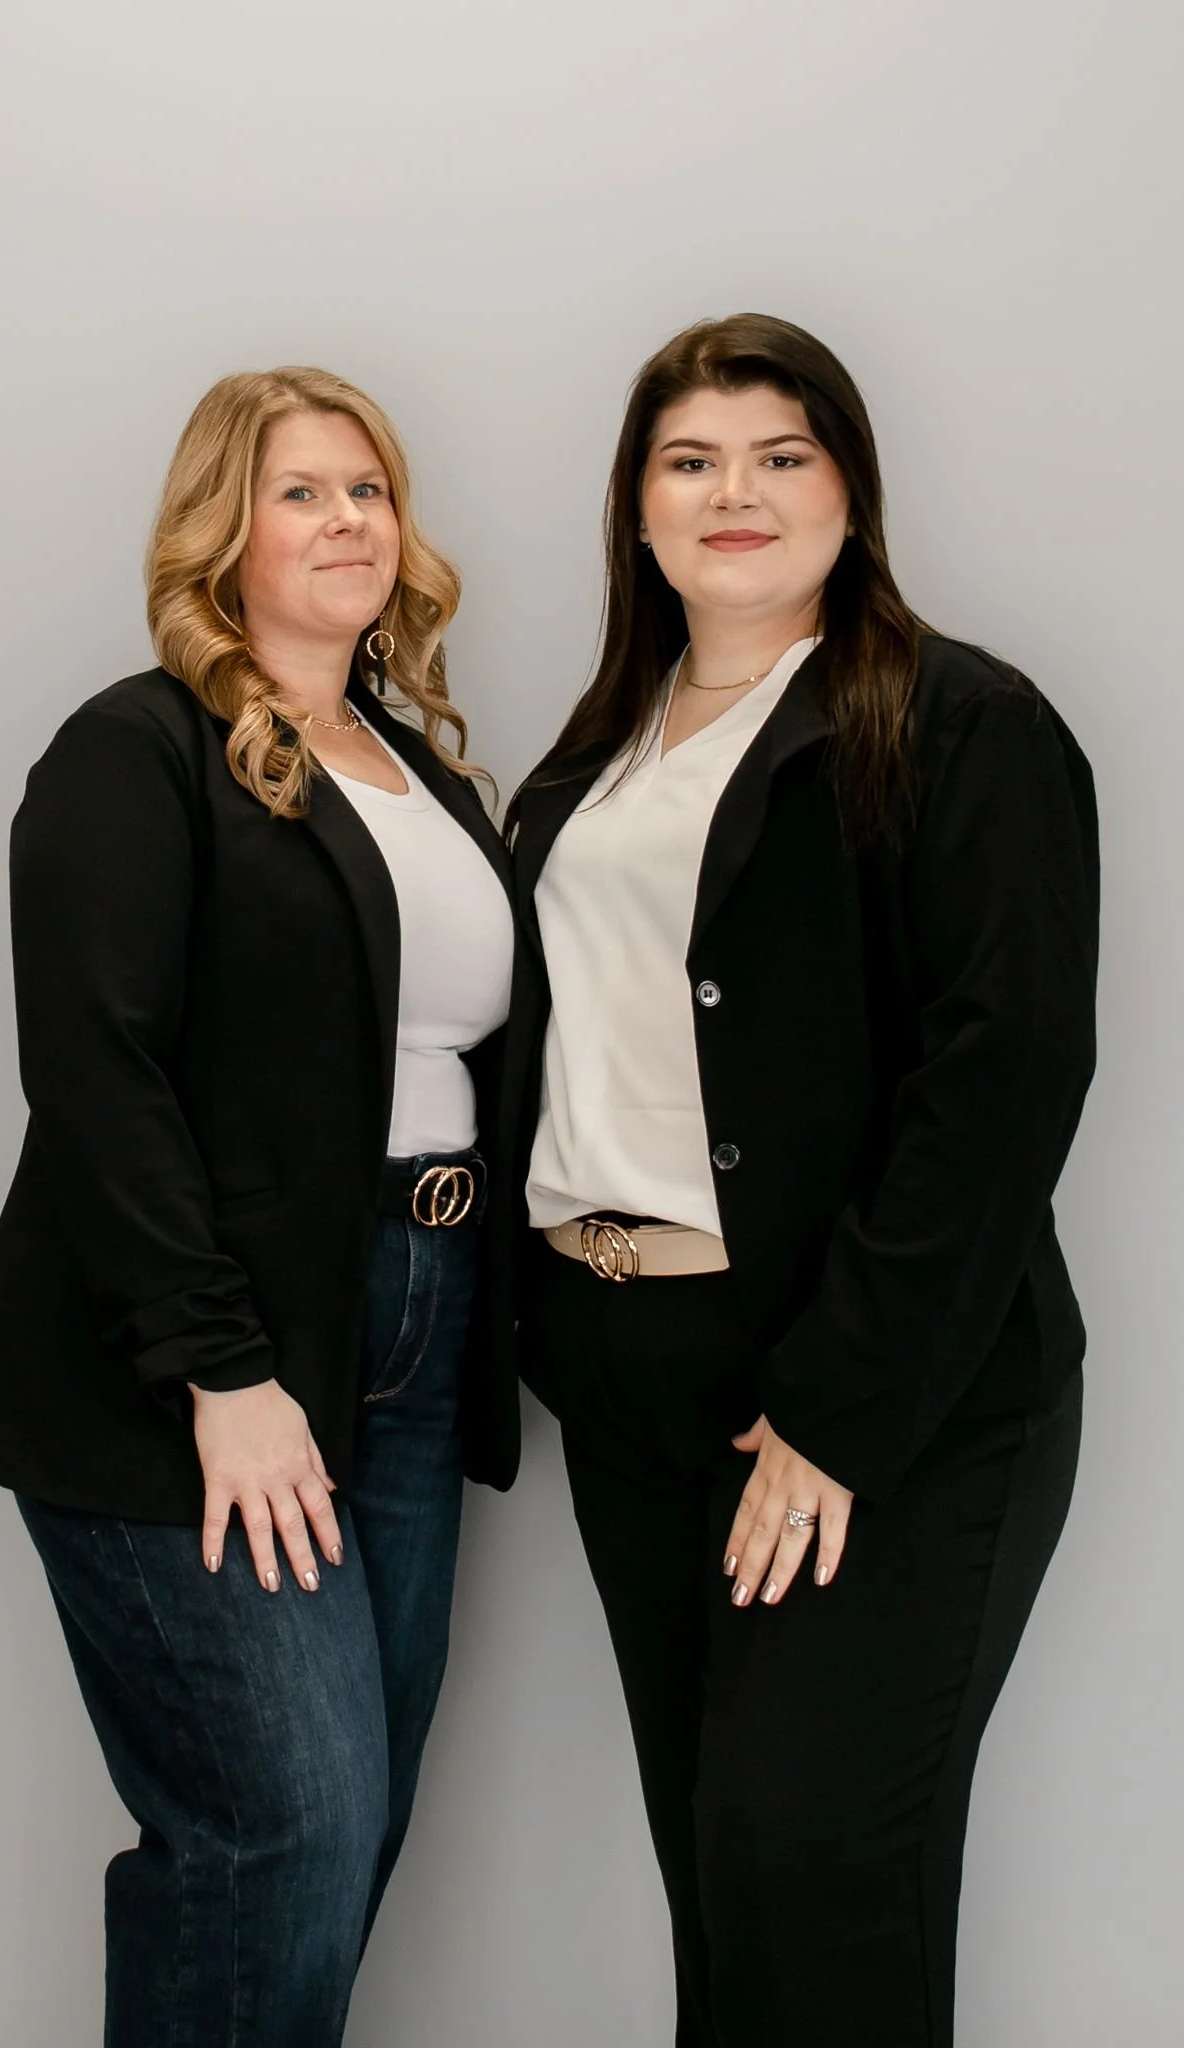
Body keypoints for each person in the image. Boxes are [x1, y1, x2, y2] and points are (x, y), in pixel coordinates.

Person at [502, 313, 1097, 2047]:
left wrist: (837, 1411)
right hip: (630, 1379)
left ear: (852, 489)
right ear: (637, 508)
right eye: (690, 461)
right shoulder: (598, 754)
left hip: (870, 1390)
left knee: (810, 1882)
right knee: (720, 1888)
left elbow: (1003, 1084)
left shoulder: (964, 723)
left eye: (782, 455)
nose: (734, 493)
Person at [0, 365, 518, 2047]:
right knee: (287, 1828)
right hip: (207, 1355)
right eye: (300, 492)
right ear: (221, 531)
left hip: (417, 1332)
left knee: (354, 1831)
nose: (349, 521)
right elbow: (97, 1073)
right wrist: (221, 1366)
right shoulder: (137, 750)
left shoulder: (420, 772)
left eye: (370, 490)